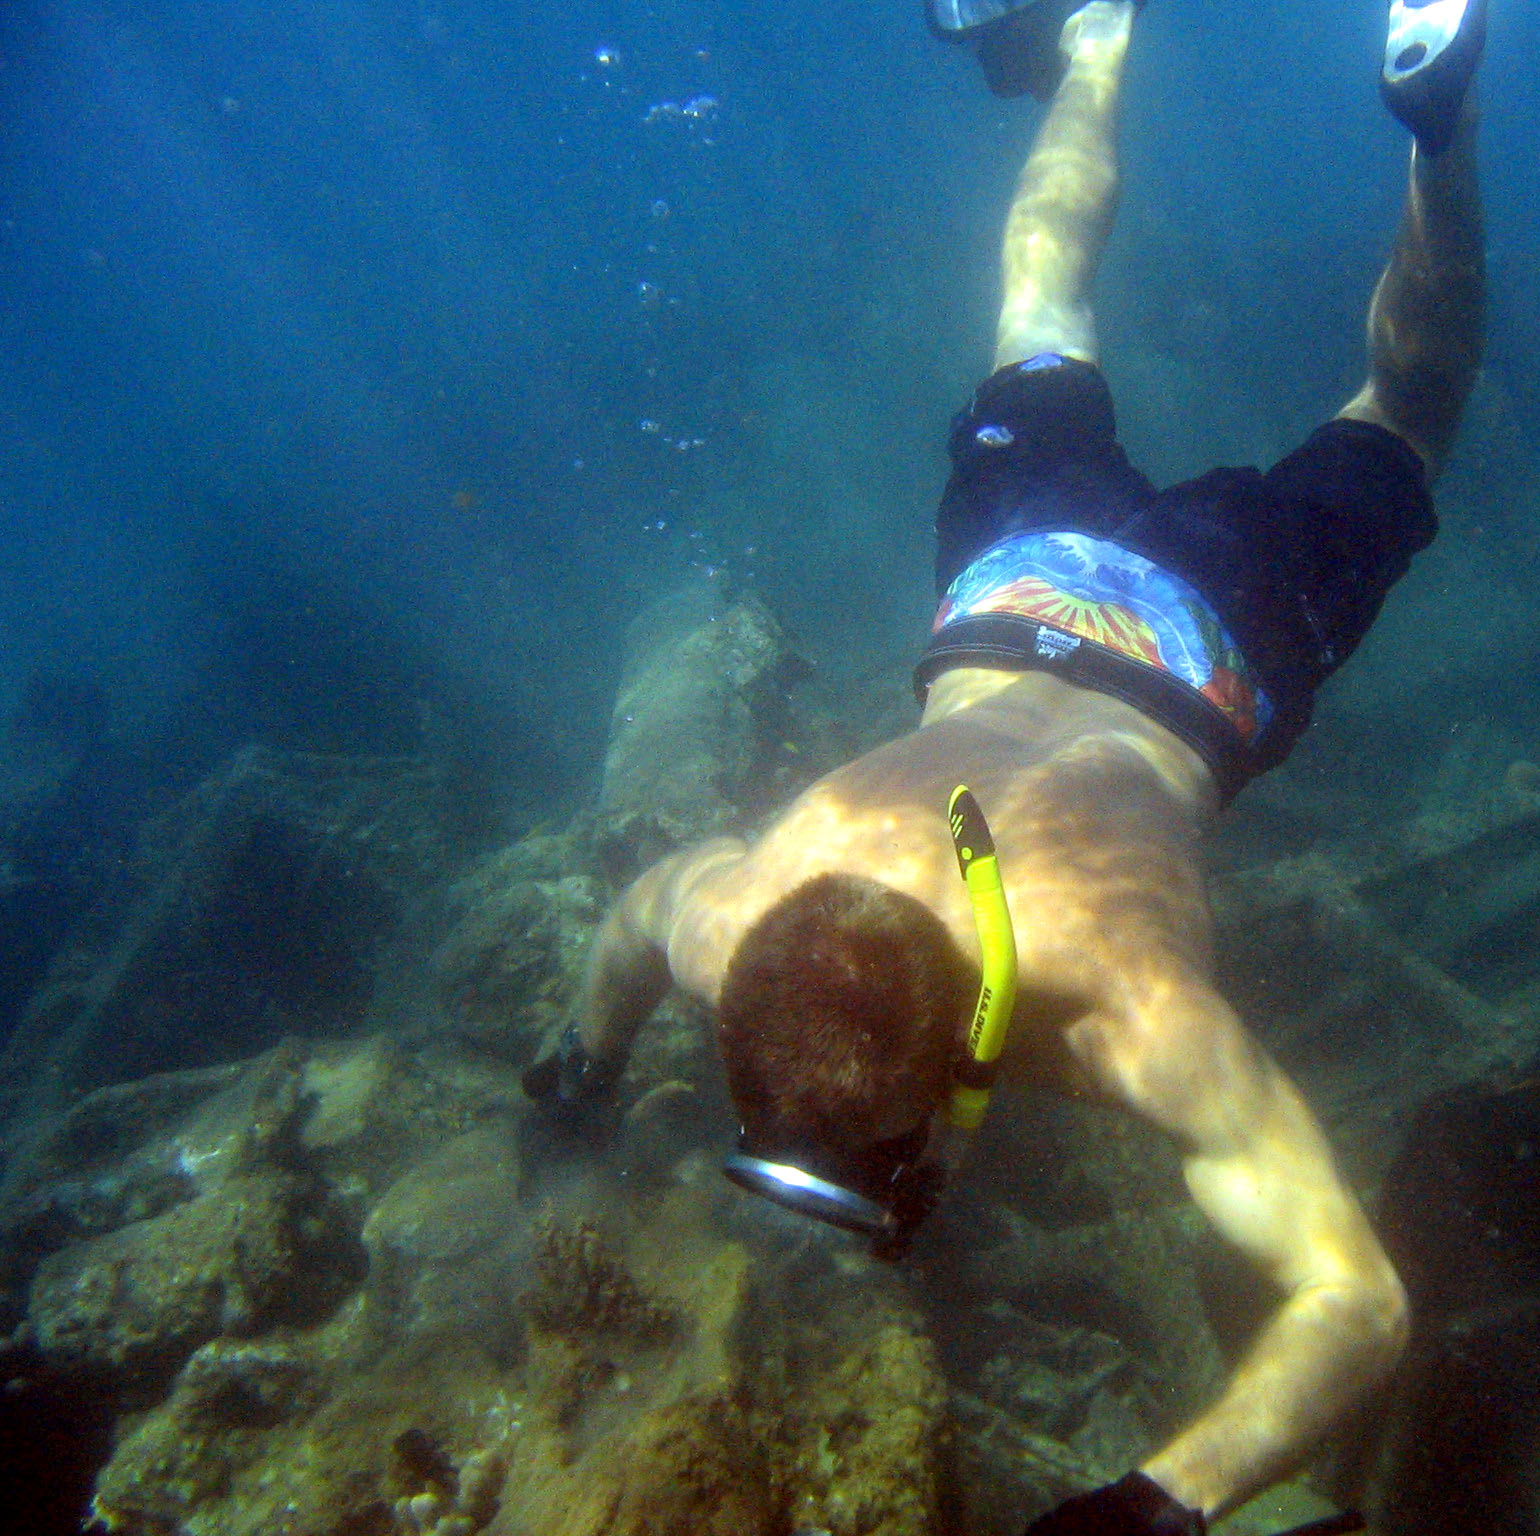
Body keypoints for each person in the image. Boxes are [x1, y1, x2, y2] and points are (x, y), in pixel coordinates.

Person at [525, 0, 1484, 1529]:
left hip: (1215, 640)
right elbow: (644, 915)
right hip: (1018, 583)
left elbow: (1358, 1302)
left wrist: (1163, 1503)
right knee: (1043, 292)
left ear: (951, 1071)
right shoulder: (742, 916)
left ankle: (1427, 130)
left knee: (1407, 412)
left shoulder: (1117, 1014)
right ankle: (1113, 38)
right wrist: (578, 1060)